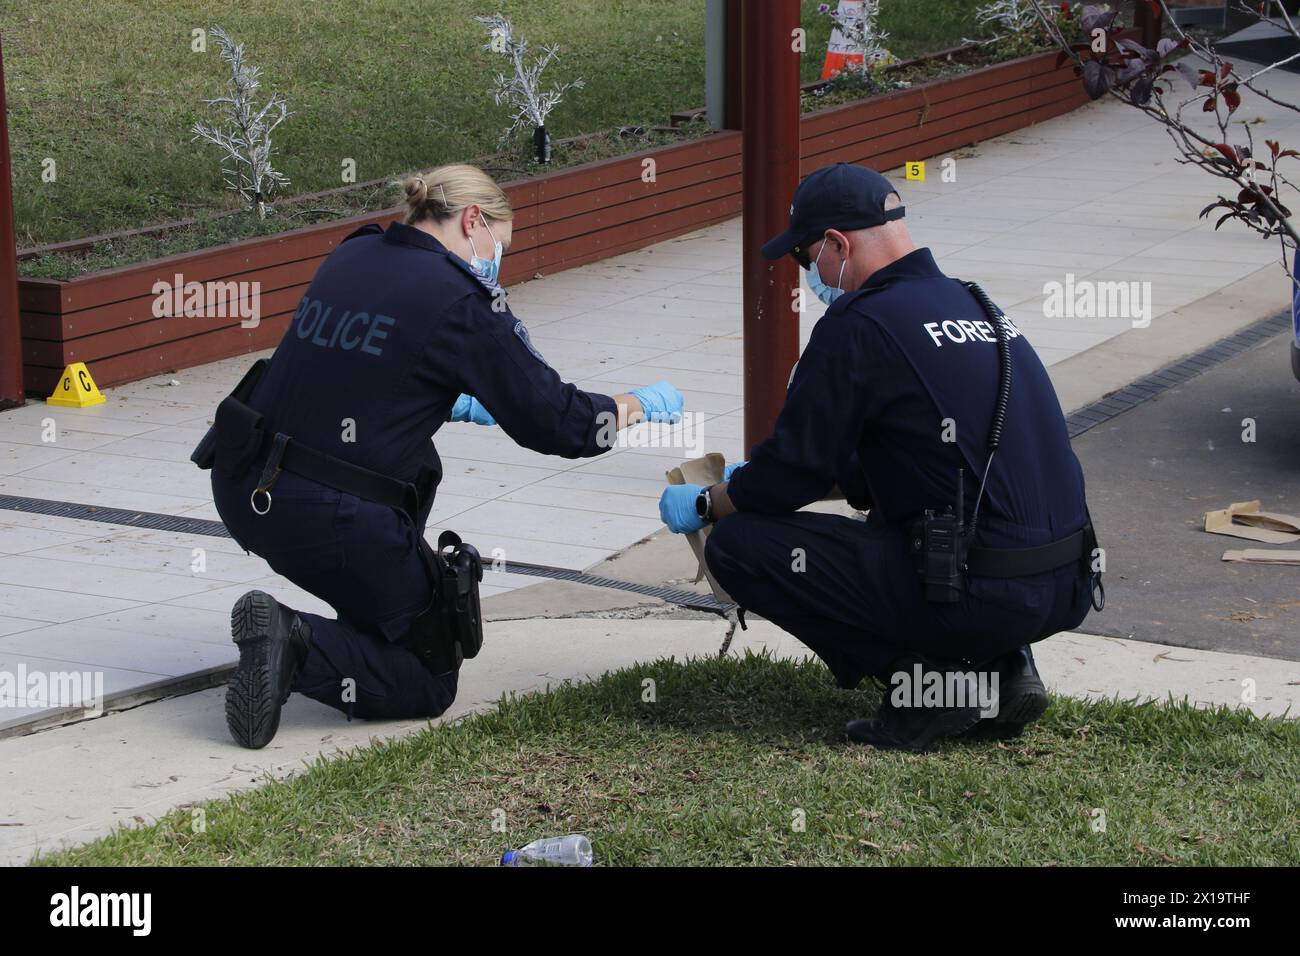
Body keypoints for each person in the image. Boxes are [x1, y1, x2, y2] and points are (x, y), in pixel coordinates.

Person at [202, 164, 684, 749]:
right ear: (473, 221)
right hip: (331, 516)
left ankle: (329, 632)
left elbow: (356, 362)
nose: (495, 261)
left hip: (244, 488)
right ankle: (295, 642)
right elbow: (559, 424)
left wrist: (448, 399)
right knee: (428, 675)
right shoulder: (461, 298)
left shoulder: (355, 254)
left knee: (391, 574)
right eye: (498, 245)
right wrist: (632, 404)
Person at [657, 162, 1101, 752]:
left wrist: (711, 499)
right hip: (1064, 583)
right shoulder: (978, 305)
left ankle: (928, 689)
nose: (810, 274)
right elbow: (900, 461)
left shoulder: (858, 322)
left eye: (806, 257)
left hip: (982, 591)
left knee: (741, 545)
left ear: (838, 245)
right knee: (931, 522)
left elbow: (791, 476)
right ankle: (1002, 668)